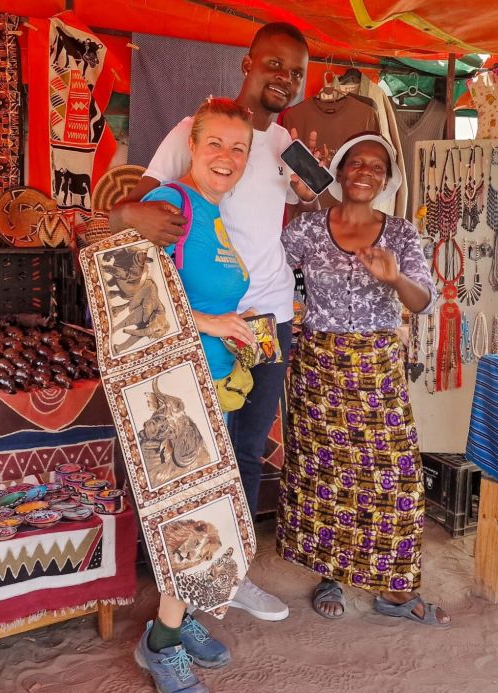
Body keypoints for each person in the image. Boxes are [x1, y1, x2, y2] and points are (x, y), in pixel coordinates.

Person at [111, 21, 315, 622]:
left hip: (268, 315)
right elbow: (142, 208)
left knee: (245, 450)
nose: (284, 79)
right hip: (204, 316)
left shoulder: (283, 143)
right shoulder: (192, 129)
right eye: (274, 65)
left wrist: (308, 187)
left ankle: (233, 572)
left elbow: (289, 206)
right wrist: (124, 214)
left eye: (296, 72)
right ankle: (179, 583)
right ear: (248, 63)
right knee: (192, 453)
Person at [276, 133, 450, 627]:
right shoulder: (308, 229)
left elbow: (423, 302)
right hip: (319, 366)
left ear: (386, 179)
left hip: (376, 367)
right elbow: (267, 272)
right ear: (339, 170)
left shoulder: (400, 234)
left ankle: (394, 590)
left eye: (376, 165)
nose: (365, 171)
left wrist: (394, 278)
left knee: (395, 474)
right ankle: (329, 575)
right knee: (324, 473)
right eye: (356, 162)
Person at [132, 98, 258, 693]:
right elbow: (132, 297)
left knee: (202, 514)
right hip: (175, 394)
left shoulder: (213, 212)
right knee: (188, 519)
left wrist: (234, 327)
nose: (226, 157)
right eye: (216, 144)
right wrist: (210, 323)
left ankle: (176, 620)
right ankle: (161, 643)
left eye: (239, 148)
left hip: (211, 385)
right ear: (192, 146)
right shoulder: (171, 204)